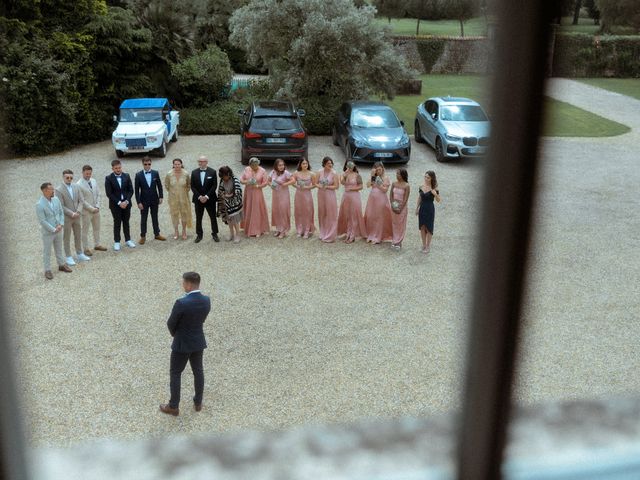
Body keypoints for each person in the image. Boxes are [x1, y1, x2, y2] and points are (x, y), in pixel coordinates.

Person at [160, 272, 211, 416]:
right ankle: (198, 402)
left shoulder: (181, 302)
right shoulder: (206, 300)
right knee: (198, 371)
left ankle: (174, 406)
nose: (182, 285)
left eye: (183, 282)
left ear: (188, 285)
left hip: (182, 343)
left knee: (175, 373)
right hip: (198, 341)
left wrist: (176, 334)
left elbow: (171, 323)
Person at [36, 182, 72, 279]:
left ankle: (61, 265)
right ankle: (47, 270)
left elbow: (60, 212)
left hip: (59, 229)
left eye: (53, 189)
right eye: (51, 189)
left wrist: (61, 224)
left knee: (59, 248)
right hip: (48, 232)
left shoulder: (56, 199)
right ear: (44, 191)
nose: (53, 191)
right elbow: (42, 221)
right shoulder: (39, 204)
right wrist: (53, 229)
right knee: (47, 251)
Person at [55, 169, 91, 265]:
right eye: (67, 177)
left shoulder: (76, 186)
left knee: (78, 235)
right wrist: (71, 213)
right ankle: (68, 256)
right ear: (63, 177)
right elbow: (60, 205)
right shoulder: (58, 190)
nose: (69, 179)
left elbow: (81, 200)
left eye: (71, 177)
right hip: (67, 218)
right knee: (67, 237)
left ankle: (79, 253)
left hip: (77, 216)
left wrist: (78, 211)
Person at [104, 159, 136, 251]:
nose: (118, 169)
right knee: (117, 222)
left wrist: (126, 201)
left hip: (126, 204)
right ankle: (117, 241)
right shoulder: (109, 178)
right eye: (116, 168)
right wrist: (119, 203)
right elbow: (109, 193)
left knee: (126, 222)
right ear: (112, 168)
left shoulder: (127, 176)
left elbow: (131, 190)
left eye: (119, 167)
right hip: (115, 205)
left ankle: (128, 239)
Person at [76, 165, 107, 255]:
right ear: (82, 172)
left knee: (97, 228)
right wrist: (91, 208)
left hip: (96, 210)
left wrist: (97, 206)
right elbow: (81, 200)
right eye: (86, 173)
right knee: (85, 230)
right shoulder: (78, 184)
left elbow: (98, 194)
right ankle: (85, 248)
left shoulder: (93, 181)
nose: (88, 175)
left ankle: (97, 244)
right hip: (86, 211)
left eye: (90, 173)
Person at [135, 156, 166, 244]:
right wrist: (138, 202)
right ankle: (143, 236)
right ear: (143, 164)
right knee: (143, 218)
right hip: (143, 201)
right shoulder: (138, 175)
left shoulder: (155, 173)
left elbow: (159, 186)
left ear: (151, 163)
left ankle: (157, 234)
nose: (147, 166)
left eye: (149, 164)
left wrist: (161, 196)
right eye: (145, 164)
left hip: (154, 199)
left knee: (154, 217)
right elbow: (136, 190)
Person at [191, 156, 220, 243]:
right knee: (199, 217)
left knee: (213, 217)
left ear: (206, 162)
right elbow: (192, 186)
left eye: (202, 161)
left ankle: (215, 233)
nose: (200, 163)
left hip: (210, 199)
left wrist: (206, 196)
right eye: (199, 161)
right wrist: (199, 196)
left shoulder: (212, 171)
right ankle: (199, 235)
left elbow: (214, 185)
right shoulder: (194, 172)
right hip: (198, 199)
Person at [337, 160, 367, 244]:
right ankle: (348, 233)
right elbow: (342, 183)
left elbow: (361, 186)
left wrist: (352, 188)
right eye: (348, 164)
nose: (350, 166)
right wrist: (345, 174)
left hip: (354, 196)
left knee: (354, 216)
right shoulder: (345, 174)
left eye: (351, 164)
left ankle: (352, 235)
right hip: (346, 196)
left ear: (354, 165)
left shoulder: (357, 175)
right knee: (348, 215)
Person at [363, 161, 393, 244]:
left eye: (379, 169)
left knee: (379, 217)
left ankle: (378, 236)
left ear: (383, 169)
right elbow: (368, 185)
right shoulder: (374, 176)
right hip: (372, 199)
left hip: (381, 199)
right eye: (377, 170)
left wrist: (379, 184)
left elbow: (385, 190)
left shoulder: (386, 178)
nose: (378, 171)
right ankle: (371, 234)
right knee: (371, 216)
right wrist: (372, 176)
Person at [239, 157, 270, 237]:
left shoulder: (262, 170)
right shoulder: (247, 169)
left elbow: (266, 182)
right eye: (253, 166)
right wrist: (247, 182)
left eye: (256, 165)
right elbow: (241, 180)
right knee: (248, 209)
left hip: (257, 192)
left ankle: (257, 229)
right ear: (250, 165)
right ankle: (248, 227)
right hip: (248, 192)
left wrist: (258, 186)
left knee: (256, 210)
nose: (254, 167)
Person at [165, 158, 193, 240]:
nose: (177, 166)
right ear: (173, 165)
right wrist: (173, 192)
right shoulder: (169, 174)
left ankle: (184, 231)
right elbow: (167, 185)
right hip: (173, 199)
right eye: (175, 164)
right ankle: (176, 231)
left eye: (178, 164)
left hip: (184, 198)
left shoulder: (186, 174)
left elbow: (188, 185)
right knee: (174, 215)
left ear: (181, 164)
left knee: (184, 214)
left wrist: (183, 192)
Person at [416, 170, 442, 253]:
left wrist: (435, 194)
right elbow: (419, 198)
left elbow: (438, 200)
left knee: (429, 227)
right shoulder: (421, 186)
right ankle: (423, 244)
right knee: (422, 227)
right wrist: (417, 208)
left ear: (431, 179)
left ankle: (428, 246)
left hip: (430, 208)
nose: (426, 179)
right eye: (425, 177)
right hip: (422, 208)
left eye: (428, 177)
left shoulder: (434, 188)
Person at [217, 166, 244, 243]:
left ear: (229, 174)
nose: (224, 178)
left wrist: (229, 195)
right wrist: (223, 195)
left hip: (234, 205)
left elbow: (238, 192)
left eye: (225, 176)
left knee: (235, 220)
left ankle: (237, 235)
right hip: (226, 204)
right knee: (229, 220)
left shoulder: (234, 180)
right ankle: (231, 234)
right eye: (222, 176)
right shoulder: (222, 180)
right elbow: (220, 190)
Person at [269, 158, 295, 238]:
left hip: (283, 195)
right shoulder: (273, 172)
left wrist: (285, 184)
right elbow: (268, 180)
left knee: (283, 211)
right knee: (276, 211)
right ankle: (278, 229)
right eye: (279, 165)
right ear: (276, 166)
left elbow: (293, 180)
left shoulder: (286, 173)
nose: (281, 167)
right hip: (275, 195)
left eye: (283, 165)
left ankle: (283, 230)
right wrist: (271, 185)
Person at [316, 156, 339, 243]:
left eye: (331, 163)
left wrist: (327, 187)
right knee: (322, 212)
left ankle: (330, 234)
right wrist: (320, 186)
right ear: (324, 164)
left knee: (331, 213)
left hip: (330, 194)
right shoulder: (319, 172)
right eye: (328, 163)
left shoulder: (334, 173)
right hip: (321, 194)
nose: (330, 165)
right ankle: (322, 232)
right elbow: (315, 183)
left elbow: (337, 186)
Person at [292, 157, 316, 238]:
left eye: (306, 163)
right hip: (298, 194)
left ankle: (307, 230)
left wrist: (307, 188)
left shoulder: (312, 174)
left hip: (307, 195)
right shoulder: (296, 173)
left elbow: (314, 185)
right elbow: (292, 182)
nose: (305, 165)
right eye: (303, 163)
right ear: (300, 164)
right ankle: (299, 230)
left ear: (308, 164)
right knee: (299, 212)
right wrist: (297, 186)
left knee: (307, 212)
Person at [390, 168, 410, 249]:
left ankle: (399, 242)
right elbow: (391, 195)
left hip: (402, 207)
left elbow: (406, 199)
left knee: (401, 224)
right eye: (396, 174)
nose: (397, 175)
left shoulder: (406, 185)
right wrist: (392, 205)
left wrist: (400, 208)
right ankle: (394, 240)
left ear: (403, 175)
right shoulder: (394, 183)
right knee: (394, 224)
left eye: (398, 174)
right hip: (394, 205)